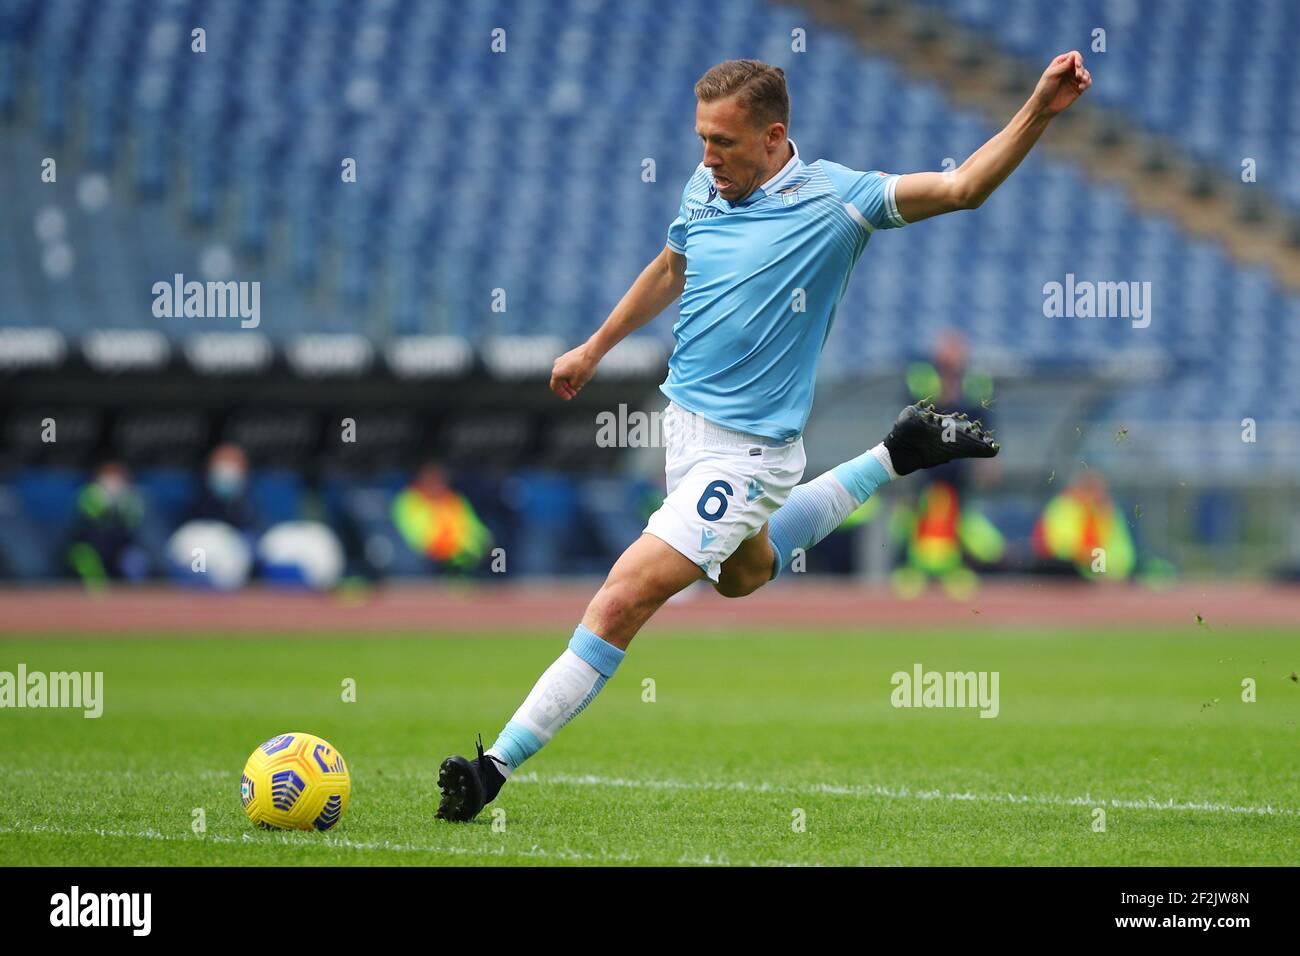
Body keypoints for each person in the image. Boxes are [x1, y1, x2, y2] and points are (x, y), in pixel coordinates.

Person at [436, 52, 1092, 821]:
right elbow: (670, 266)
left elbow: (962, 186)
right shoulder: (705, 184)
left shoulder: (838, 200)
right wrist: (594, 347)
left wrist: (1039, 109)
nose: (708, 158)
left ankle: (493, 768)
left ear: (775, 136)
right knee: (742, 575)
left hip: (748, 457)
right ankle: (896, 454)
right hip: (687, 435)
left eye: (724, 142)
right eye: (702, 139)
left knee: (621, 599)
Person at [66, 461, 150, 585]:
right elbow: (77, 536)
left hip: (117, 555)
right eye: (109, 478)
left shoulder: (130, 503)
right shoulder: (86, 500)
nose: (113, 484)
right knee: (84, 559)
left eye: (117, 479)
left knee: (135, 559)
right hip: (88, 552)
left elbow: (131, 535)